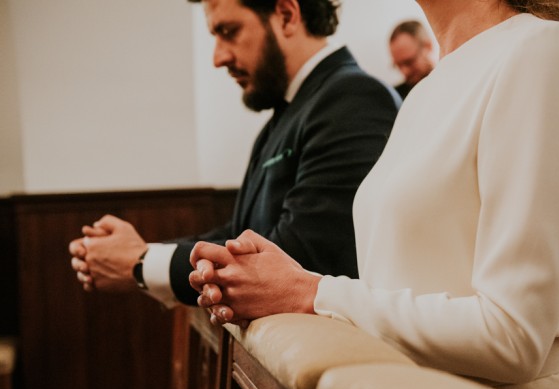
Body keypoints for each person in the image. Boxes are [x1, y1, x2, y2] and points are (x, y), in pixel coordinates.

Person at [189, 0, 559, 389]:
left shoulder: (544, 49)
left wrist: (310, 292)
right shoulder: (424, 90)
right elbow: (408, 283)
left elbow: (512, 337)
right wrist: (290, 279)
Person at [68, 0, 400, 306]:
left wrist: (140, 264)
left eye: (229, 32)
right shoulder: (286, 114)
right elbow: (240, 235)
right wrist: (134, 253)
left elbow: (299, 259)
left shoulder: (353, 97)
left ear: (286, 14)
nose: (218, 58)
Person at [388, 20, 436, 99]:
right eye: (398, 65)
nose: (404, 72)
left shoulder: (452, 83)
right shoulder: (394, 98)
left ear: (428, 46)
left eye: (408, 62)